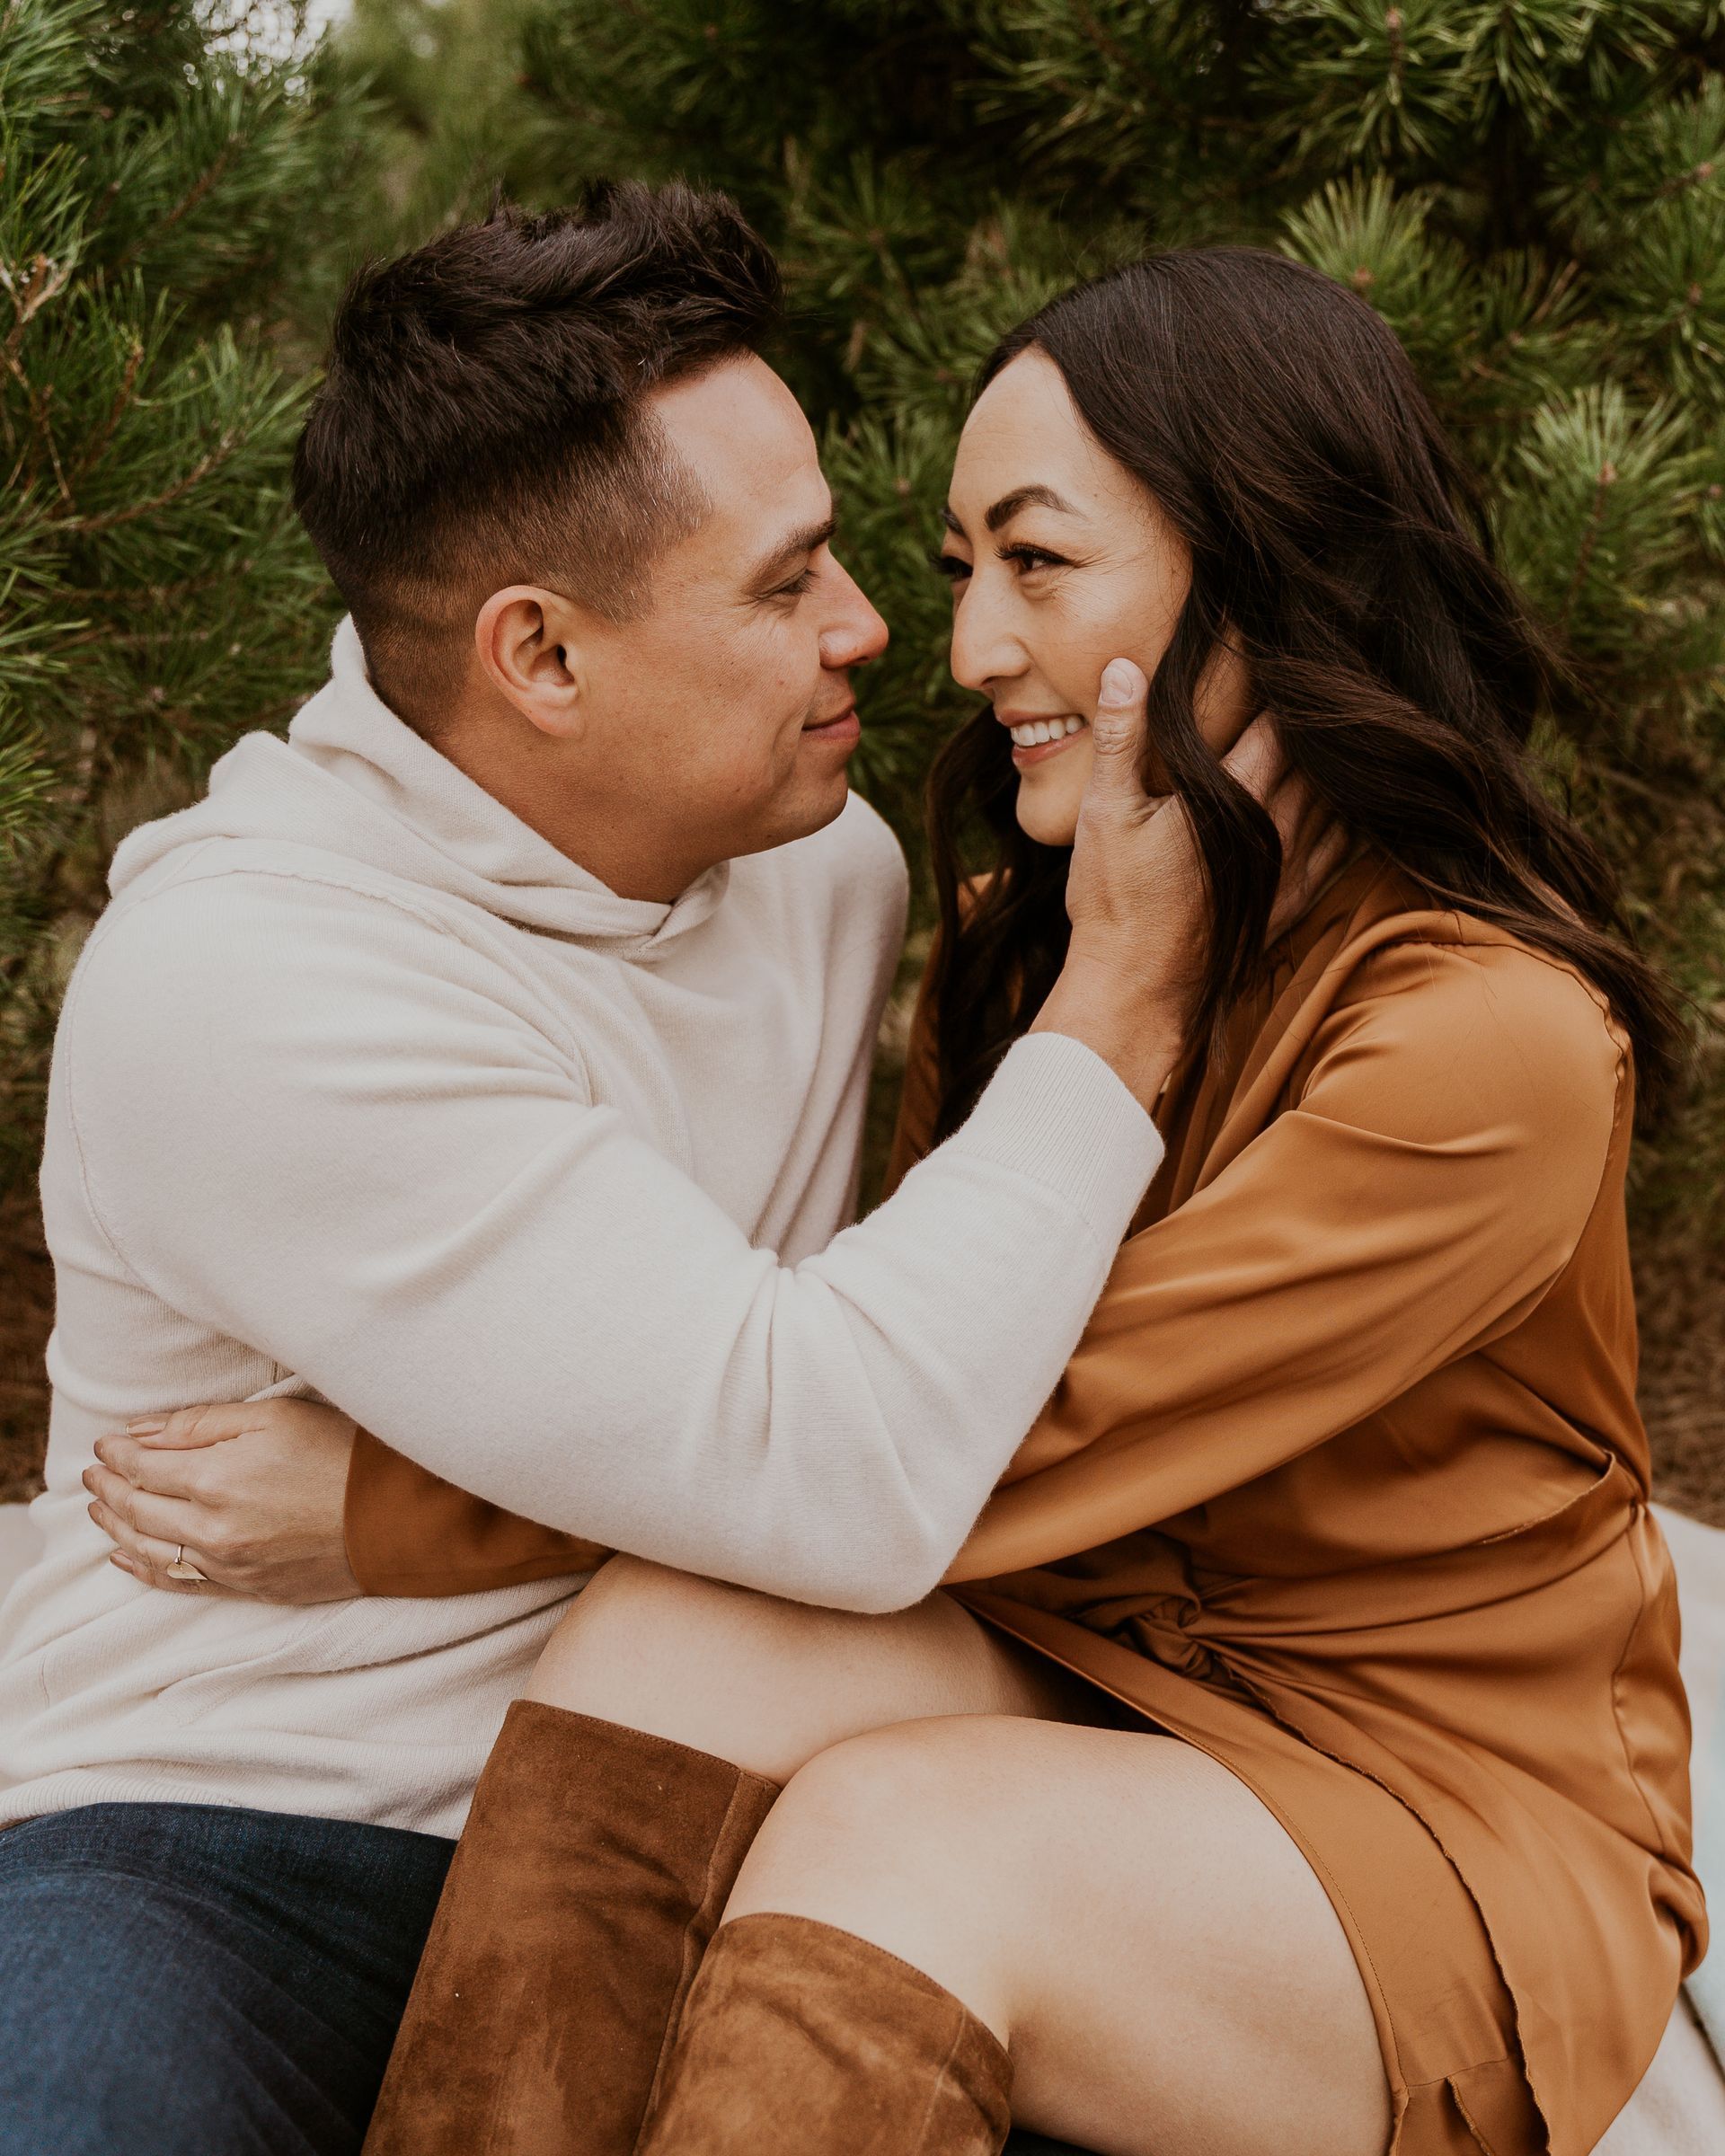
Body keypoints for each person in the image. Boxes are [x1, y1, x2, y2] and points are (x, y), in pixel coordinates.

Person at [90, 248, 1704, 2156]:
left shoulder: (1487, 1048)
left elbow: (996, 1446)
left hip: (1424, 1798)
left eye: (1038, 565)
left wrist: (401, 1510)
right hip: (1123, 1667)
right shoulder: (1049, 941)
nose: (964, 650)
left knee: (900, 1847)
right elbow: (917, 1368)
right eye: (961, 570)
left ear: (1265, 575)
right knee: (669, 1641)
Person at [0, 186, 1312, 2156]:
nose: (875, 628)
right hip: (242, 1836)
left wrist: (396, 1507)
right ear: (540, 656)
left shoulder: (826, 873)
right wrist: (1120, 993)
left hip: (721, 1789)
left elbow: (890, 1382)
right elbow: (839, 1456)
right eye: (787, 586)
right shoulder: (248, 984)